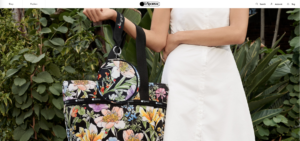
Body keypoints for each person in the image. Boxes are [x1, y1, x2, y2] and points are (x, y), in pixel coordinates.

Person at [83, 8, 256, 141]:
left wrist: (179, 37)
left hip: (221, 77)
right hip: (180, 78)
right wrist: (116, 17)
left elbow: (237, 33)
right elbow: (157, 41)